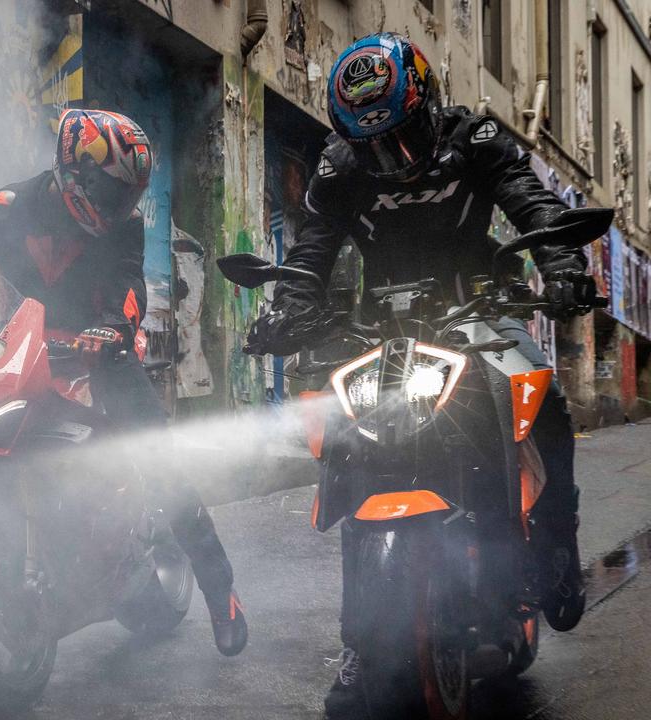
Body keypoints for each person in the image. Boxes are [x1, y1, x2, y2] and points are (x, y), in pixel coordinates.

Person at [242, 33, 597, 715]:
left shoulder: (480, 140)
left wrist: (565, 270)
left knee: (544, 403)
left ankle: (554, 547)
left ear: (427, 105)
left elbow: (534, 206)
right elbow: (312, 251)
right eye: (373, 146)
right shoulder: (341, 164)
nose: (390, 160)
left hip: (480, 308)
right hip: (383, 328)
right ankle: (359, 642)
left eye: (402, 140)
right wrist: (285, 312)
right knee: (346, 441)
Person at [0, 108, 248, 656]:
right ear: (74, 174)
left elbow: (126, 283)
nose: (120, 208)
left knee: (156, 457)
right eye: (112, 192)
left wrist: (113, 327)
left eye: (128, 195)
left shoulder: (125, 227)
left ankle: (219, 590)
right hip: (14, 351)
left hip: (98, 353)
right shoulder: (5, 209)